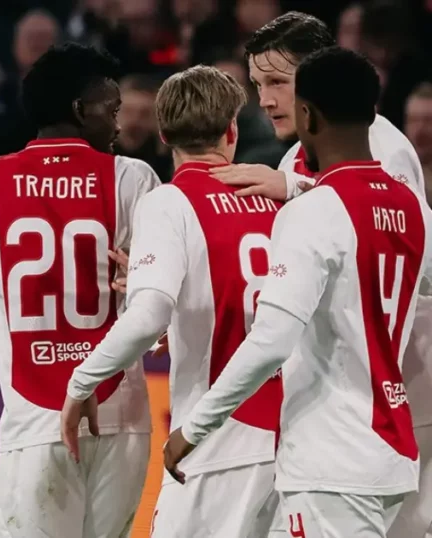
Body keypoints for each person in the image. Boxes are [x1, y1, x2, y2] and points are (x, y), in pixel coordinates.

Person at [164, 47, 432, 537]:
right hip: (392, 451)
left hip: (330, 456)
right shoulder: (412, 207)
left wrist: (193, 428)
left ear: (307, 114)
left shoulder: (315, 210)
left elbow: (271, 340)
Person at [0, 43, 158, 538]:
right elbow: (156, 296)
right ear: (79, 110)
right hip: (123, 421)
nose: (118, 124)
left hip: (36, 425)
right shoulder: (134, 179)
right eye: (111, 110)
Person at [62, 65, 281, 537]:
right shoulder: (279, 198)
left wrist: (82, 384)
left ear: (163, 134)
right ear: (232, 129)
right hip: (290, 442)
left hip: (215, 445)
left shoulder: (169, 202)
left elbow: (147, 317)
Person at [211, 11, 425, 201]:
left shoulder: (379, 141)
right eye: (258, 85)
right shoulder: (291, 160)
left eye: (277, 82)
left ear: (319, 74)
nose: (265, 101)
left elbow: (396, 221)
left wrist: (294, 188)